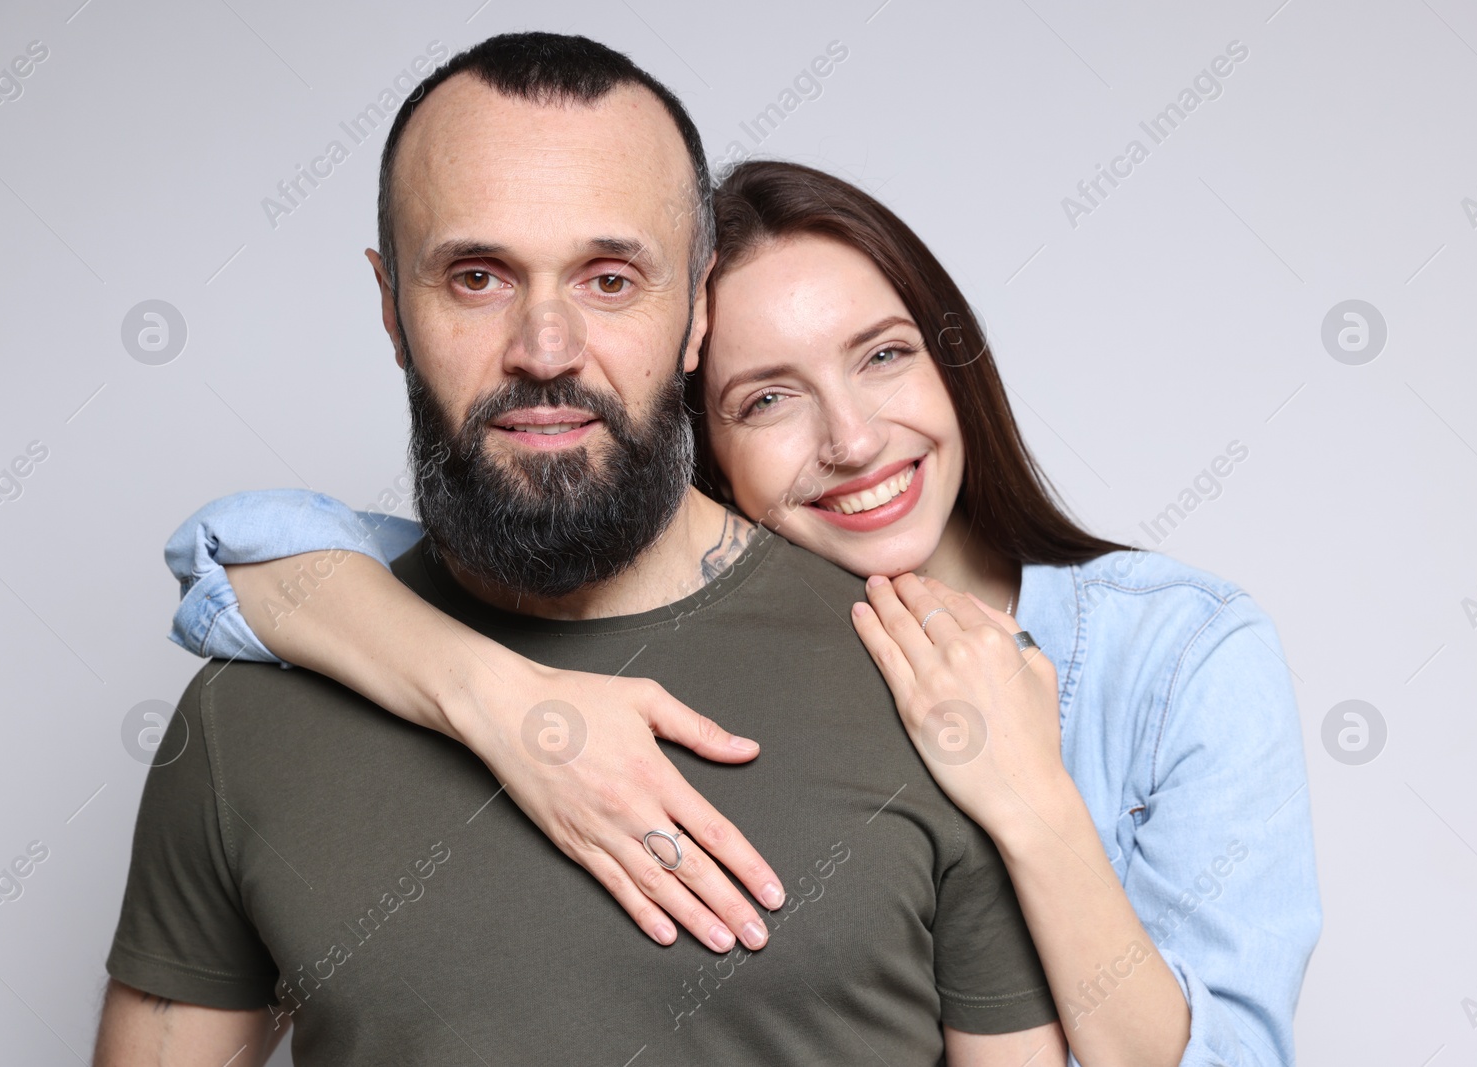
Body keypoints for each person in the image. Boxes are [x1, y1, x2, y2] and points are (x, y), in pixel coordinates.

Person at [157, 145, 1321, 1067]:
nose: (854, 439)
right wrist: (501, 700)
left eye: (882, 356)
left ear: (951, 359)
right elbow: (238, 554)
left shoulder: (1177, 649)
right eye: (768, 399)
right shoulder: (668, 624)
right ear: (696, 439)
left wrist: (1030, 796)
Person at [95, 32, 1070, 1067]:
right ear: (390, 306)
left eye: (610, 279)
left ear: (697, 309)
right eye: (477, 277)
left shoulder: (931, 683)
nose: (546, 348)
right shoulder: (247, 716)